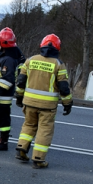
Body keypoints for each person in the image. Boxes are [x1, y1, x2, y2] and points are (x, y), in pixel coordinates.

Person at [14, 34, 72, 169]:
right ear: (57, 47)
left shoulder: (30, 60)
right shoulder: (59, 64)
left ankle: (22, 148)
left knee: (28, 125)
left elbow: (21, 81)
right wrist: (67, 104)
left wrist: (19, 97)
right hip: (47, 106)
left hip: (29, 102)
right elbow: (64, 88)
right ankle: (38, 159)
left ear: (42, 45)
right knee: (44, 130)